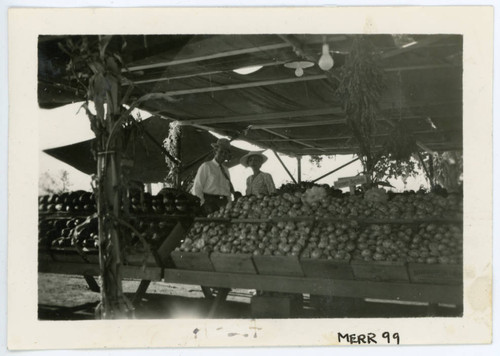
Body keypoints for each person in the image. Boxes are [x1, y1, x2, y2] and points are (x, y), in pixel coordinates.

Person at [192, 138, 234, 215]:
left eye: (226, 153)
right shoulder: (206, 166)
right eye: (221, 152)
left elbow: (228, 189)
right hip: (210, 203)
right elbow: (197, 187)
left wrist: (229, 202)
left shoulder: (226, 170)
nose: (223, 155)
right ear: (215, 151)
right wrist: (202, 204)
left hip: (223, 204)